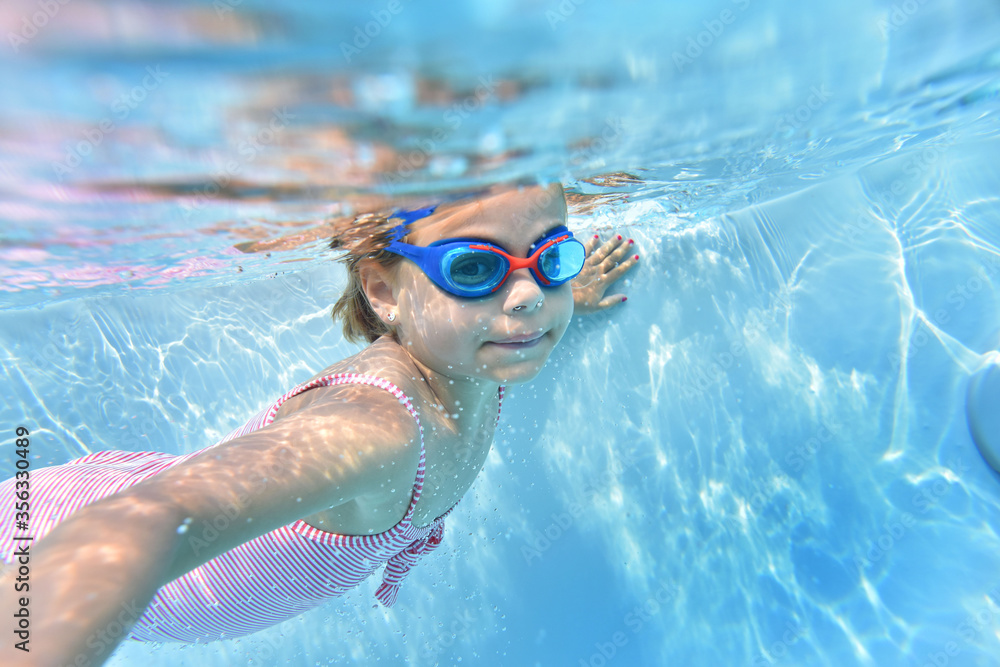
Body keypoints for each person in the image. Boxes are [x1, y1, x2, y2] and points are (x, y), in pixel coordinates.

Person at [0, 182, 640, 666]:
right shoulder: (378, 428)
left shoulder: (477, 352)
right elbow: (149, 523)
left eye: (551, 258)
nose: (528, 297)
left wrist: (568, 296)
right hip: (44, 549)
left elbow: (525, 300)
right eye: (475, 268)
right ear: (384, 293)